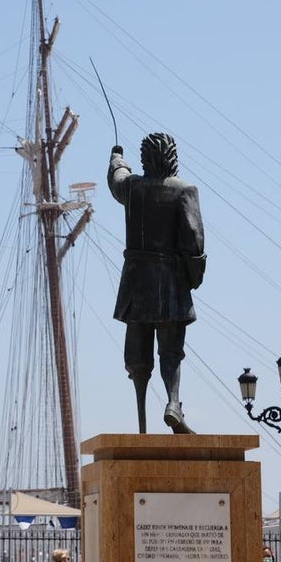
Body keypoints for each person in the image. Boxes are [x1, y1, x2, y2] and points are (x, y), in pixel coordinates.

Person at [107, 133, 206, 434]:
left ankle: (141, 422)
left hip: (137, 282)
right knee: (171, 351)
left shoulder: (133, 188)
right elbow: (194, 238)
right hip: (170, 280)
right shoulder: (185, 190)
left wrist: (115, 158)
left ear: (145, 158)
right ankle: (173, 402)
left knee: (138, 356)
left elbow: (116, 178)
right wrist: (193, 275)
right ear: (173, 155)